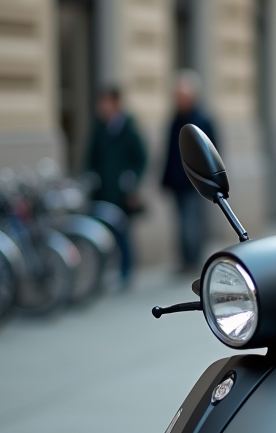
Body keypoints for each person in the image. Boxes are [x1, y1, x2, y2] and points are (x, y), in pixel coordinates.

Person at [86, 85, 148, 284]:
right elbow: (91, 157)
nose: (101, 107)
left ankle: (126, 271)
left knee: (123, 232)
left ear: (114, 103)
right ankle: (110, 269)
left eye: (105, 102)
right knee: (105, 233)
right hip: (104, 191)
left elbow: (141, 158)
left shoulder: (128, 128)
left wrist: (132, 183)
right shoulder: (100, 128)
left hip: (122, 192)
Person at [161, 70, 219, 273]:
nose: (179, 99)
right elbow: (169, 152)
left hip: (196, 181)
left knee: (192, 223)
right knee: (182, 223)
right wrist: (165, 178)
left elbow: (213, 152)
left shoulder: (203, 120)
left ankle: (194, 260)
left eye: (182, 96)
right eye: (177, 96)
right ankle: (186, 259)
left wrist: (209, 179)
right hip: (178, 180)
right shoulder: (175, 120)